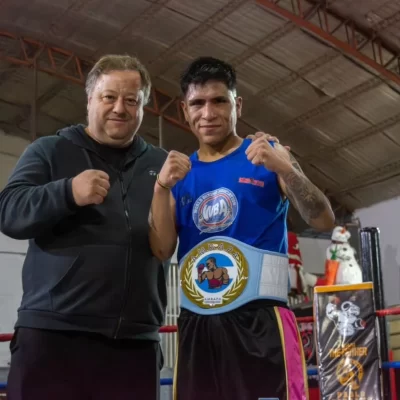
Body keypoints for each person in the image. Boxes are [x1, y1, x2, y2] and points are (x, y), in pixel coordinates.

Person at [149, 56, 335, 400]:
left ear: (237, 104)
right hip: (198, 324)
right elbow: (161, 249)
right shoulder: (179, 174)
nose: (208, 113)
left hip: (262, 322)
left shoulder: (267, 155)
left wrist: (286, 168)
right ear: (184, 110)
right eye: (197, 103)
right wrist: (160, 189)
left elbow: (323, 219)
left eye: (219, 101)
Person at [0, 54, 169, 400]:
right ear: (90, 99)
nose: (120, 108)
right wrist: (67, 192)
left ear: (142, 107)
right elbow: (9, 211)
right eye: (109, 97)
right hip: (55, 338)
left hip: (135, 344)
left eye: (131, 100)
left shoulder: (160, 164)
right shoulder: (50, 150)